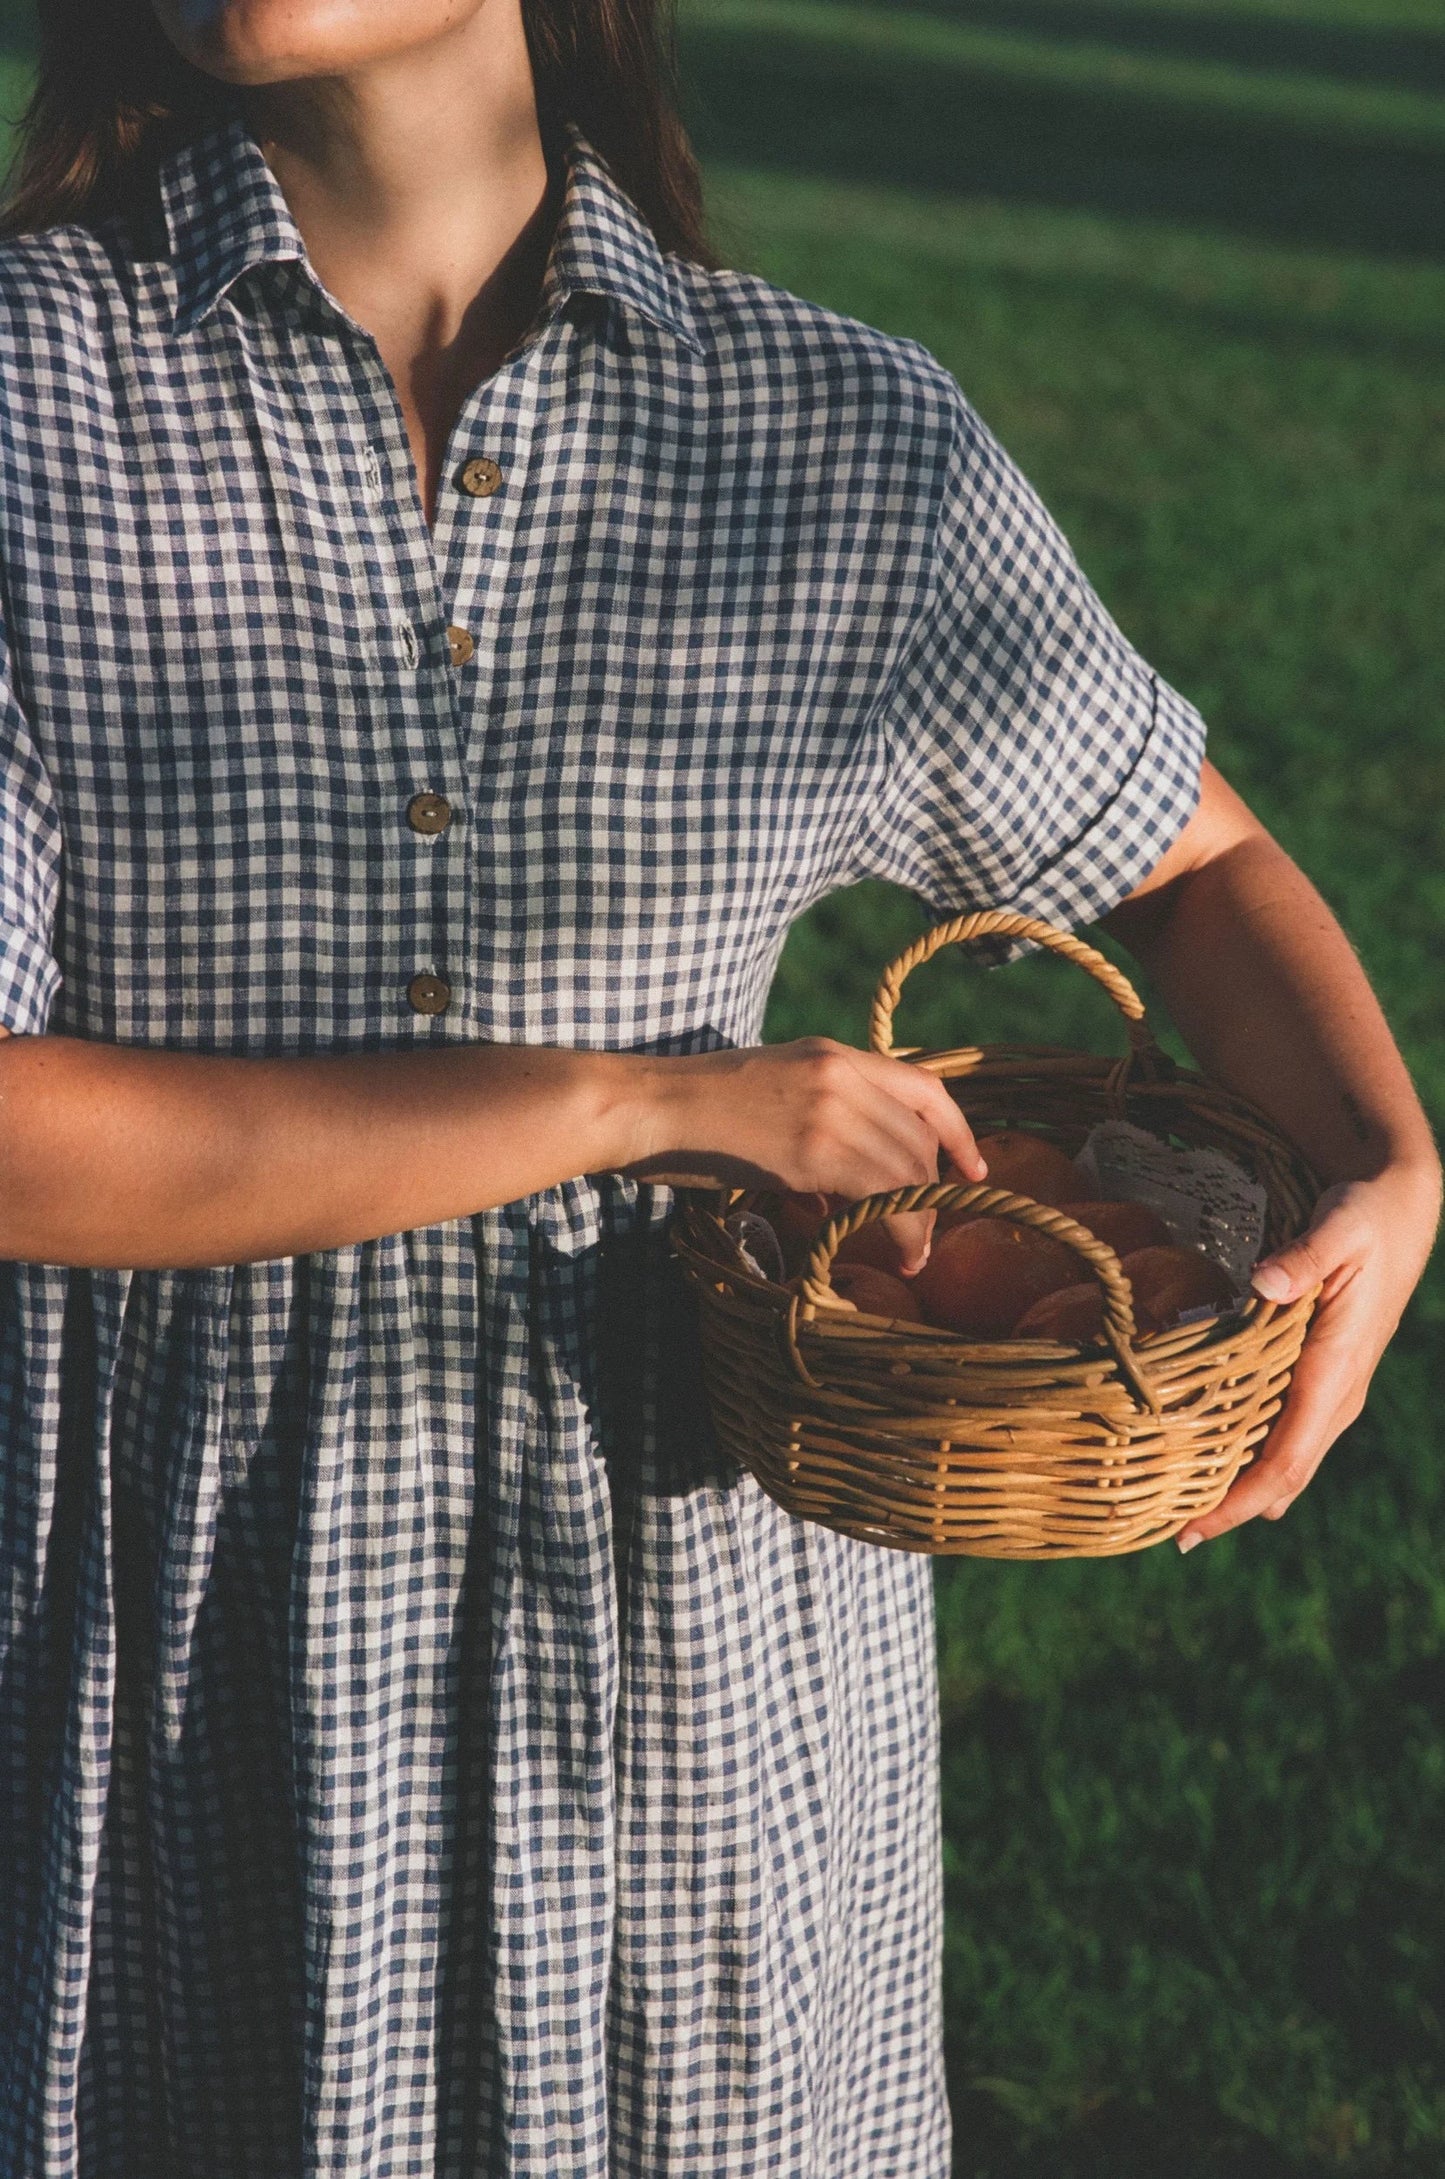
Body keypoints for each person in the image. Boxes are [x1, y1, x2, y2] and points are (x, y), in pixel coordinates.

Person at [0, 0, 1435, 2172]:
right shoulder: (25, 397)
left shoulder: (824, 435)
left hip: (693, 1681)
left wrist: (1394, 1162)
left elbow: (1196, 855)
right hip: (193, 1660)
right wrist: (651, 1101)